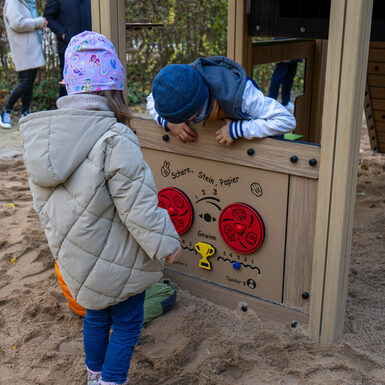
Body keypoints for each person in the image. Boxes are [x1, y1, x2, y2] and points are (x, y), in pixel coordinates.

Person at [19, 31, 182, 385]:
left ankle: (94, 375)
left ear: (70, 88)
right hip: (118, 261)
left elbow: (44, 206)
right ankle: (112, 379)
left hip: (76, 258)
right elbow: (138, 205)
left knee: (95, 317)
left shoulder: (42, 141)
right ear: (115, 90)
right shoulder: (115, 137)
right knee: (126, 323)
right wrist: (167, 245)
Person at [146, 56, 296, 145]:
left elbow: (287, 120)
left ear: (194, 111)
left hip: (262, 142)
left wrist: (238, 130)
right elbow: (151, 99)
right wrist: (168, 122)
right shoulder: (178, 81)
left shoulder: (243, 96)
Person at [0, 0, 47, 129]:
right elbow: (17, 23)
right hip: (23, 49)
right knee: (25, 83)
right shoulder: (13, 2)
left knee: (29, 83)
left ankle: (25, 112)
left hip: (31, 48)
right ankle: (6, 111)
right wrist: (38, 22)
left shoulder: (26, 2)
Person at [44, 0, 91, 97]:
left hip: (90, 45)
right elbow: (48, 17)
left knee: (89, 79)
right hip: (67, 46)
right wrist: (63, 34)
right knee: (67, 81)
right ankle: (64, 111)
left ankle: (87, 110)